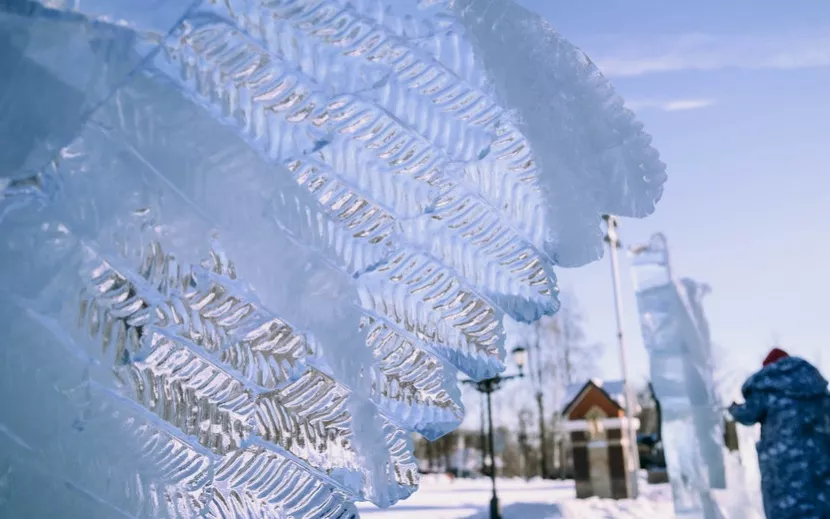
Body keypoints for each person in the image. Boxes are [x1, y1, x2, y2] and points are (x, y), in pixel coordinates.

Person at [729, 348, 830, 519]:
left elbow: (747, 414)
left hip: (784, 465)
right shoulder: (815, 386)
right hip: (819, 461)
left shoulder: (768, 385)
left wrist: (732, 408)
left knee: (788, 508)